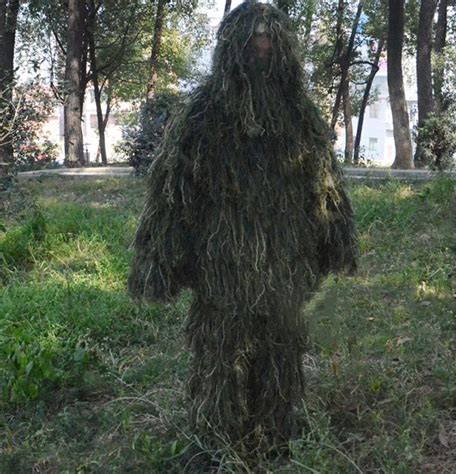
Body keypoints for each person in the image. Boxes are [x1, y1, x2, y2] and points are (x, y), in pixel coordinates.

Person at [128, 1, 357, 455]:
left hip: (285, 264)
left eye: (270, 40)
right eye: (252, 40)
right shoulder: (203, 115)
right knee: (219, 357)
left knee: (281, 354)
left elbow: (326, 186)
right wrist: (160, 261)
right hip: (222, 270)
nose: (262, 45)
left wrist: (336, 241)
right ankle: (213, 443)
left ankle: (276, 436)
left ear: (285, 49)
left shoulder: (299, 116)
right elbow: (173, 193)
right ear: (233, 47)